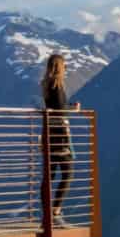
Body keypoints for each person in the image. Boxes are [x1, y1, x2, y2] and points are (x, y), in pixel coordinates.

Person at [42, 54, 80, 225]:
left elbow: (54, 107)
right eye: (64, 66)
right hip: (59, 134)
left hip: (49, 132)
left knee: (50, 174)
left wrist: (68, 107)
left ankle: (47, 215)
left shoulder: (46, 85)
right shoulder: (56, 86)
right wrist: (73, 109)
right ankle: (55, 212)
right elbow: (59, 109)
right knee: (68, 172)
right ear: (60, 67)